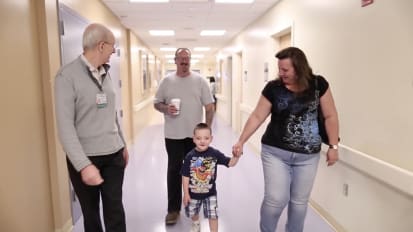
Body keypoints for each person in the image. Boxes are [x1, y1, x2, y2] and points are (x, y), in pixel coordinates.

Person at [232, 46, 339, 232]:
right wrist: (241, 141)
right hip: (275, 153)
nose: (281, 73)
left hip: (308, 157)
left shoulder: (318, 85)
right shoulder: (274, 88)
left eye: (285, 70)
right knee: (275, 200)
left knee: (299, 204)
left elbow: (331, 116)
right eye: (279, 69)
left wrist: (334, 146)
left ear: (299, 68)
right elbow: (258, 116)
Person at [54, 23, 129, 232]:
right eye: (112, 47)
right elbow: (65, 127)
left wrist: (122, 143)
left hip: (113, 155)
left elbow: (111, 113)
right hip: (86, 157)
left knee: (115, 211)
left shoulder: (106, 72)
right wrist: (83, 165)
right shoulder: (66, 77)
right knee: (91, 214)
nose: (114, 51)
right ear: (101, 45)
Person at [154, 48, 215, 225]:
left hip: (194, 136)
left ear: (190, 61)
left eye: (187, 59)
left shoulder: (200, 81)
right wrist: (166, 109)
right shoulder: (167, 81)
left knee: (196, 171)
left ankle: (194, 205)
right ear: (175, 60)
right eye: (181, 59)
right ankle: (173, 209)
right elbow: (157, 103)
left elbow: (209, 107)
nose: (184, 62)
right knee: (174, 170)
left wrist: (207, 131)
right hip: (173, 135)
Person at [181, 123, 239, 232]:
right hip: (193, 193)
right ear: (193, 139)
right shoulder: (189, 156)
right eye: (198, 138)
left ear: (211, 139)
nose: (202, 141)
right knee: (192, 213)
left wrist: (236, 156)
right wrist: (186, 194)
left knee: (213, 215)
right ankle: (196, 222)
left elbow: (230, 163)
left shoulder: (214, 154)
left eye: (206, 138)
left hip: (210, 193)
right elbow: (185, 176)